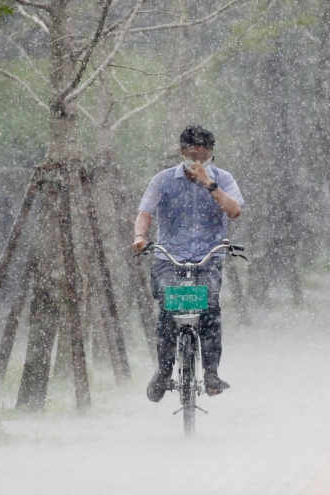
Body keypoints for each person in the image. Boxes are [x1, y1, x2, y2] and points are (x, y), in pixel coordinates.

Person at [132, 125, 244, 402]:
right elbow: (145, 211)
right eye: (191, 153)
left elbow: (234, 211)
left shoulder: (223, 179)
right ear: (181, 152)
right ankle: (164, 371)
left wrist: (209, 183)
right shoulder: (162, 180)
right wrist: (139, 236)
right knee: (169, 309)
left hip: (208, 257)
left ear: (211, 154)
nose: (196, 159)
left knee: (209, 309)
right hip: (170, 257)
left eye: (202, 154)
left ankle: (211, 373)